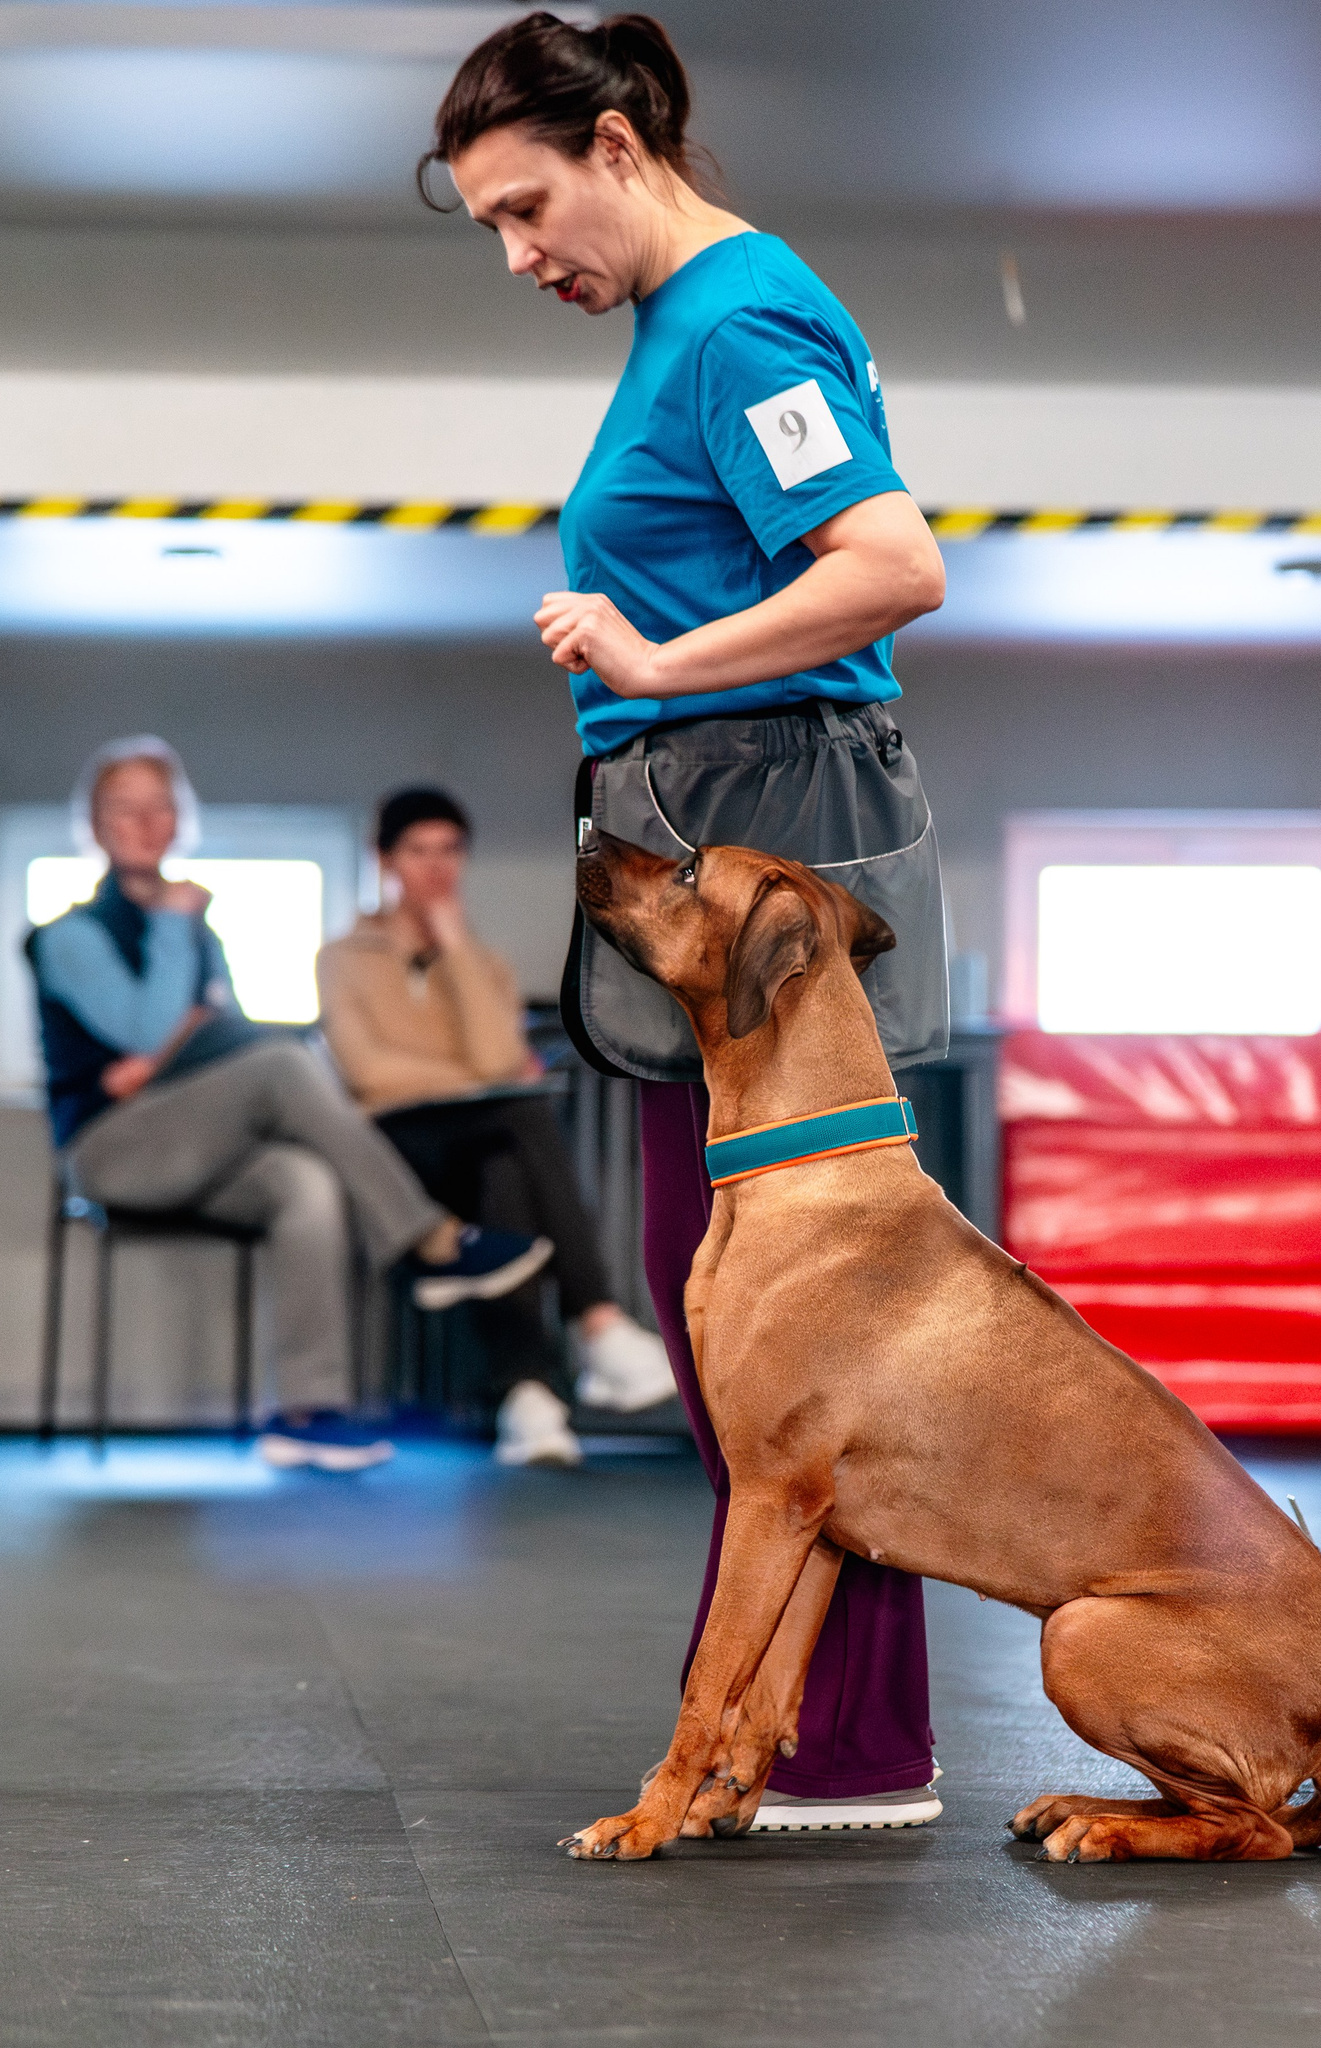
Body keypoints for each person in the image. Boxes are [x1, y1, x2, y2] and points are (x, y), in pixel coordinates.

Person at [425, 14, 953, 1830]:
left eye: (528, 206)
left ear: (624, 144)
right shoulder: (689, 324)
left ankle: (841, 1741)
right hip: (705, 826)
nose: (519, 256)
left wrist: (650, 657)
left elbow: (892, 566)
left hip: (763, 823)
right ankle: (785, 1725)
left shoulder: (742, 319)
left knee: (779, 1319)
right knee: (733, 1302)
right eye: (490, 227)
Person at [27, 736, 554, 1472]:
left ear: (180, 820)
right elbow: (150, 1027)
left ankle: (308, 1413)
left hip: (196, 1136)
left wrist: (161, 1053)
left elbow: (215, 1035)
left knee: (306, 1181)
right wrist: (177, 949)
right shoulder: (68, 937)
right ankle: (428, 1241)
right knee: (283, 1064)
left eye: (161, 806)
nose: (146, 822)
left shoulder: (201, 934)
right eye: (126, 809)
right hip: (113, 1151)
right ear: (96, 825)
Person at [318, 785, 681, 1468]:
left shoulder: (481, 962)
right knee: (520, 1111)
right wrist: (471, 1079)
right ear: (386, 859)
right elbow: (370, 1075)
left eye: (450, 850)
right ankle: (597, 1326)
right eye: (418, 850)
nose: (435, 867)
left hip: (480, 1141)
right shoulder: (344, 957)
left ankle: (530, 1399)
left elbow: (494, 1059)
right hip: (394, 1154)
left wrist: (454, 945)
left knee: (507, 1166)